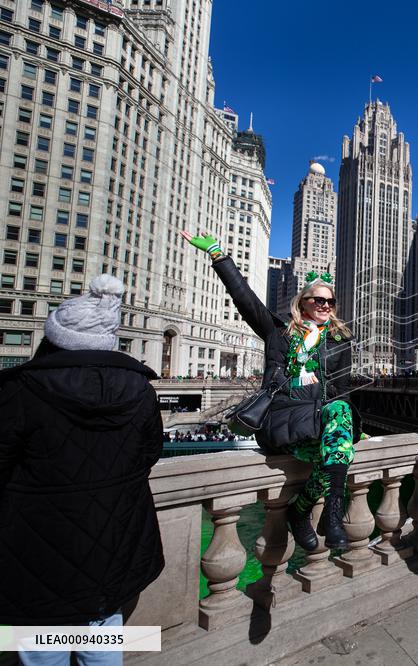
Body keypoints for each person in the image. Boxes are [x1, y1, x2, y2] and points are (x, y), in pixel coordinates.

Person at [0, 275, 164, 665]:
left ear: (55, 337)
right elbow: (149, 453)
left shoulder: (21, 389)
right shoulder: (140, 388)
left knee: (42, 646)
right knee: (103, 633)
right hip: (116, 540)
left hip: (38, 549)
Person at [182, 231, 357, 552]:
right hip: (282, 421)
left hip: (318, 422)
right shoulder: (278, 331)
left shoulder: (339, 341)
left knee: (337, 449)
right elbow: (245, 299)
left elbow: (342, 392)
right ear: (302, 303)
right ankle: (317, 515)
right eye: (318, 300)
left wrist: (347, 429)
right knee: (336, 449)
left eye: (330, 302)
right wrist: (218, 255)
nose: (325, 306)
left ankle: (313, 512)